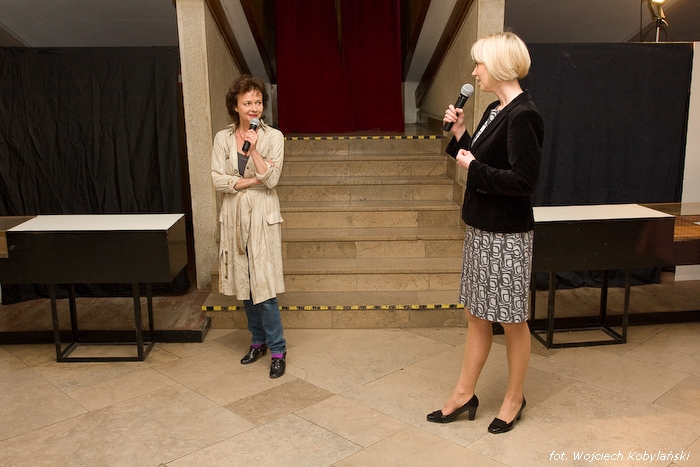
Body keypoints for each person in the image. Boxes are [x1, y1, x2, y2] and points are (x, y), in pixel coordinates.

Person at [426, 32, 544, 434]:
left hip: (507, 236)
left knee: (511, 320)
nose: (475, 72)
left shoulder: (524, 114)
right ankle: (464, 394)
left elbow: (523, 181)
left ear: (498, 66)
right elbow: (481, 156)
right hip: (481, 228)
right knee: (476, 314)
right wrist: (460, 134)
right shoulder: (496, 108)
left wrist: (472, 167)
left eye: (479, 64)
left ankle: (514, 399)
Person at [211, 75, 287, 379]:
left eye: (258, 102)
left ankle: (278, 350)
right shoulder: (222, 138)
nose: (254, 108)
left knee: (264, 286)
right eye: (247, 103)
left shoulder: (274, 137)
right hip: (233, 215)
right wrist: (254, 179)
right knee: (244, 282)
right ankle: (257, 341)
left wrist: (254, 150)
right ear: (236, 106)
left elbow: (273, 180)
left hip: (262, 216)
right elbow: (218, 180)